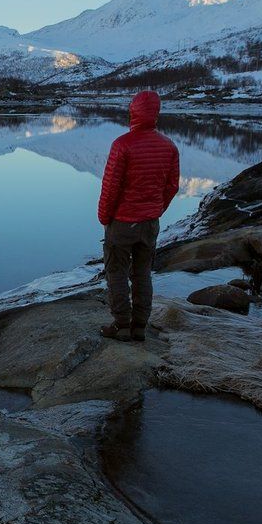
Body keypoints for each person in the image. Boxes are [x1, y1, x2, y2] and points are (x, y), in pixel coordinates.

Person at [95, 89, 180, 341]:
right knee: (142, 273)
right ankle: (140, 326)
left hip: (122, 222)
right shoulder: (169, 146)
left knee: (117, 272)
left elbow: (110, 187)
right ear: (155, 114)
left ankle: (121, 325)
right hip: (149, 223)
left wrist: (104, 217)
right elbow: (172, 186)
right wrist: (155, 210)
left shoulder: (122, 145)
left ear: (133, 112)